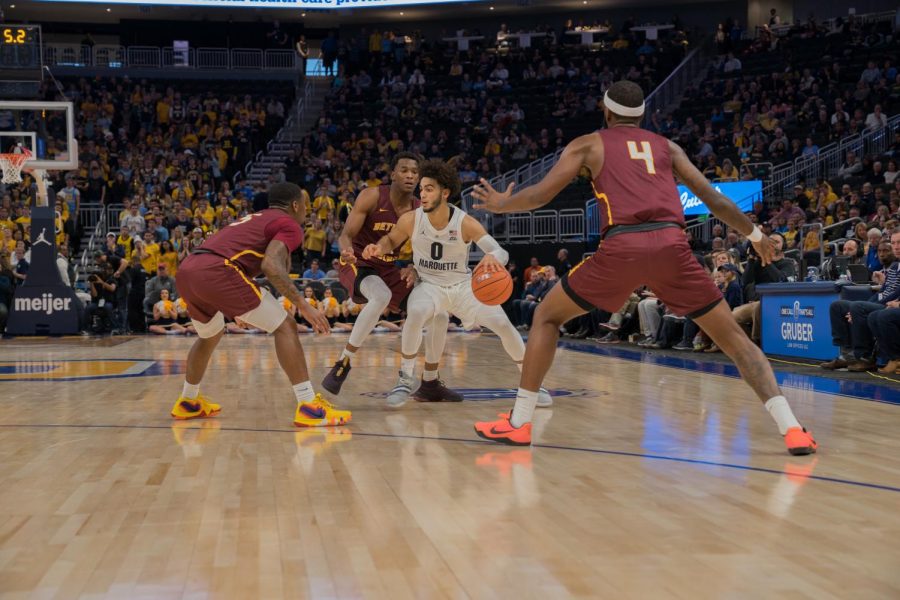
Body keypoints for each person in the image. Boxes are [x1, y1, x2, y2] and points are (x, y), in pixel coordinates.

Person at [470, 80, 817, 455]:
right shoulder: (667, 147)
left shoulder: (588, 143)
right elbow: (714, 198)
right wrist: (755, 235)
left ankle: (519, 423)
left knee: (547, 317)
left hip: (622, 247)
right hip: (672, 245)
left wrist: (502, 205)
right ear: (643, 115)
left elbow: (542, 193)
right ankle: (792, 428)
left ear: (605, 111)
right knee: (735, 340)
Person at [362, 159, 553, 408]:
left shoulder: (464, 222)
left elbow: (500, 251)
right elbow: (391, 239)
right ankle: (405, 379)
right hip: (430, 285)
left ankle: (532, 384)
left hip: (463, 287)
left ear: (445, 192)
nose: (423, 194)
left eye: (429, 189)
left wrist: (491, 258)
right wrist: (378, 247)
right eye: (421, 189)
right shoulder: (411, 219)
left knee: (503, 325)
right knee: (416, 312)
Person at [172, 182, 350, 427]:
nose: (307, 211)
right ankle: (309, 406)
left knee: (209, 335)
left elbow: (249, 258)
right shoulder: (289, 224)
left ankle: (188, 402)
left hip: (188, 271)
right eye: (306, 205)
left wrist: (234, 305)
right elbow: (270, 265)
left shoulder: (254, 219)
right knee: (286, 326)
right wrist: (303, 304)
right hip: (218, 270)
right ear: (295, 205)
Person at [321, 152, 451, 396]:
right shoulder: (371, 196)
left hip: (390, 266)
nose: (410, 175)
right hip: (358, 261)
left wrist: (413, 267)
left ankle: (430, 382)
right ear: (392, 174)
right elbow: (346, 234)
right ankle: (343, 362)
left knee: (439, 313)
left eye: (415, 171)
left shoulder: (420, 209)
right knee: (380, 296)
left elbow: (425, 249)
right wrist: (346, 251)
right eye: (404, 170)